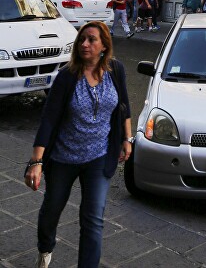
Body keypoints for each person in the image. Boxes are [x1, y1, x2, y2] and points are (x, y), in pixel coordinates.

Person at [24, 21, 132, 268]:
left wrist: (127, 139)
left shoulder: (116, 70)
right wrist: (37, 161)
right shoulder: (67, 77)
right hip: (63, 158)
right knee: (52, 210)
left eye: (92, 40)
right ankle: (45, 248)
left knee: (93, 220)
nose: (85, 44)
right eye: (82, 39)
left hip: (99, 156)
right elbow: (49, 120)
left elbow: (124, 106)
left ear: (104, 46)